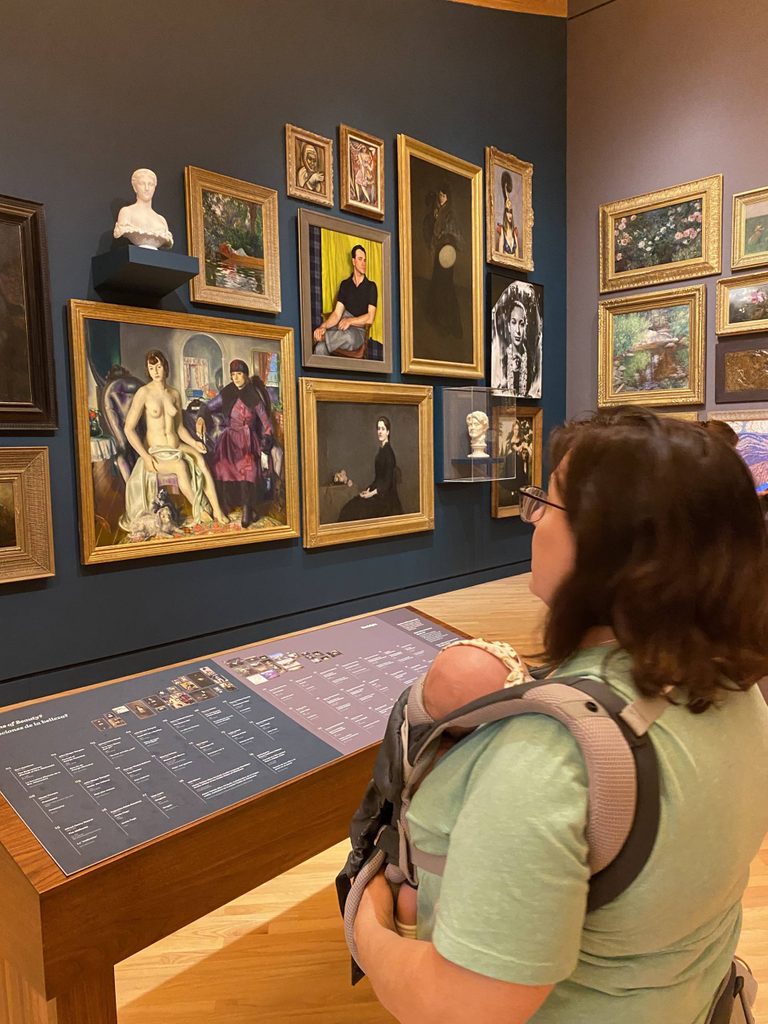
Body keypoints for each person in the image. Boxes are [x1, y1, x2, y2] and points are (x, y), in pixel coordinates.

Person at [353, 408, 768, 1023]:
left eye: (545, 502)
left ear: (611, 545)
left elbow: (460, 1006)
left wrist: (367, 925)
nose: (535, 519)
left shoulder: (552, 759)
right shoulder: (736, 691)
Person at [120, 350, 227, 534]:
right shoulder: (143, 393)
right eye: (151, 367)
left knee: (201, 460)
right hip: (156, 450)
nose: (155, 371)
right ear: (147, 369)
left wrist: (194, 444)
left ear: (165, 368)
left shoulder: (175, 394)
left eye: (159, 366)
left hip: (176, 445)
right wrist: (145, 456)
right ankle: (200, 511)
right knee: (180, 466)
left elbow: (180, 429)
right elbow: (128, 429)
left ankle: (217, 510)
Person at [195, 360, 276, 528]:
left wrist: (266, 440)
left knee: (248, 468)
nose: (236, 378)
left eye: (239, 374)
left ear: (245, 375)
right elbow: (207, 406)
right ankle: (225, 505)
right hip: (229, 439)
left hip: (248, 439)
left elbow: (267, 424)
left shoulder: (254, 396)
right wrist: (201, 417)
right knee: (221, 465)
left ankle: (248, 509)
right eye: (233, 375)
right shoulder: (227, 393)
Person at [313, 245, 378, 356]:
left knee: (350, 338)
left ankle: (322, 338)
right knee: (320, 348)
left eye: (365, 260)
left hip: (357, 331)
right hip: (340, 328)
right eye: (360, 259)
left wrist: (350, 321)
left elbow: (370, 318)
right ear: (353, 261)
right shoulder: (345, 284)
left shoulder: (371, 286)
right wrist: (323, 326)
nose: (363, 263)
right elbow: (337, 314)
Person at [339, 416, 402, 522]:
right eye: (378, 428)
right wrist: (368, 489)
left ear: (388, 432)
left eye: (383, 429)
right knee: (350, 507)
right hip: (377, 492)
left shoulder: (389, 453)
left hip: (385, 498)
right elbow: (378, 479)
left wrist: (370, 494)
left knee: (358, 510)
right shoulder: (381, 451)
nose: (380, 432)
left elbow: (386, 483)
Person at [424, 184, 462, 339]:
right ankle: (435, 317)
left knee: (445, 285)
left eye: (444, 196)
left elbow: (452, 232)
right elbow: (432, 230)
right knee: (437, 283)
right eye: (440, 195)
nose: (441, 198)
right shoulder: (437, 212)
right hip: (440, 251)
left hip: (447, 252)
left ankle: (451, 325)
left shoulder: (449, 213)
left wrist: (444, 238)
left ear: (448, 197)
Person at [113, 168, 173, 250]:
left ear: (154, 188)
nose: (147, 188)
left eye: (150, 184)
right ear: (135, 187)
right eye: (142, 184)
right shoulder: (127, 212)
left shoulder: (161, 220)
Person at [495, 170, 520, 257]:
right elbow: (501, 255)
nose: (510, 215)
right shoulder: (502, 231)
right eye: (508, 213)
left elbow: (517, 257)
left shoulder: (514, 233)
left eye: (511, 213)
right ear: (505, 214)